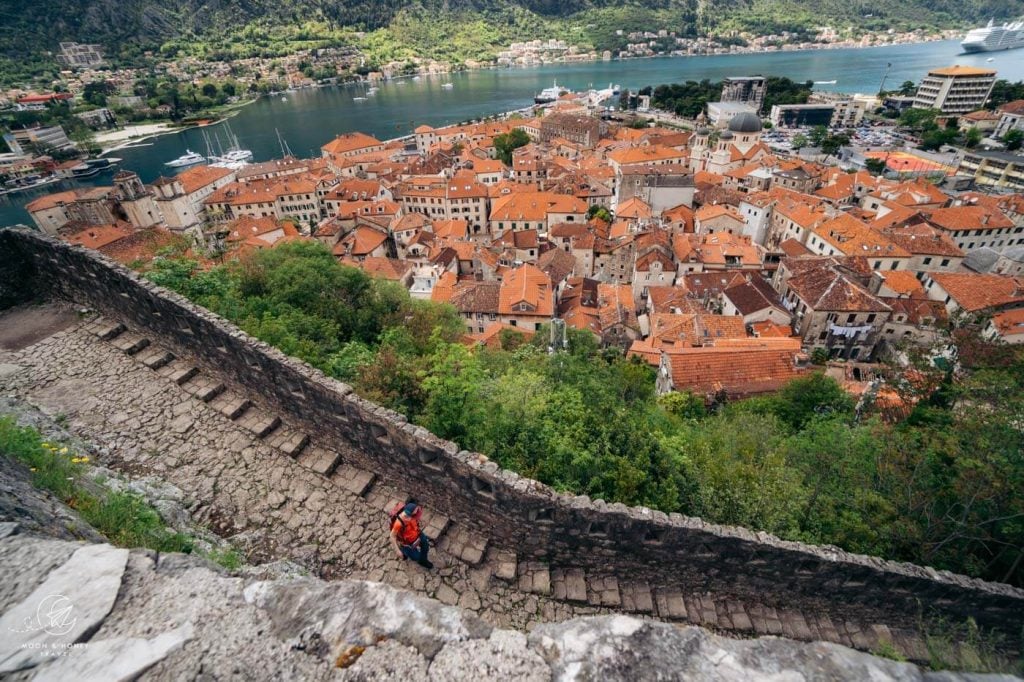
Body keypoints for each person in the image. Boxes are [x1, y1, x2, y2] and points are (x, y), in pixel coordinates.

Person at [391, 501, 433, 569]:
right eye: (416, 511)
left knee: (425, 546)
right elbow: (392, 536)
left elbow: (415, 520)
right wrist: (397, 550)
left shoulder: (413, 515)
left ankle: (423, 561)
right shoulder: (398, 523)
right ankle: (404, 551)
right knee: (415, 557)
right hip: (408, 543)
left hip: (418, 534)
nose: (417, 512)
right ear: (409, 514)